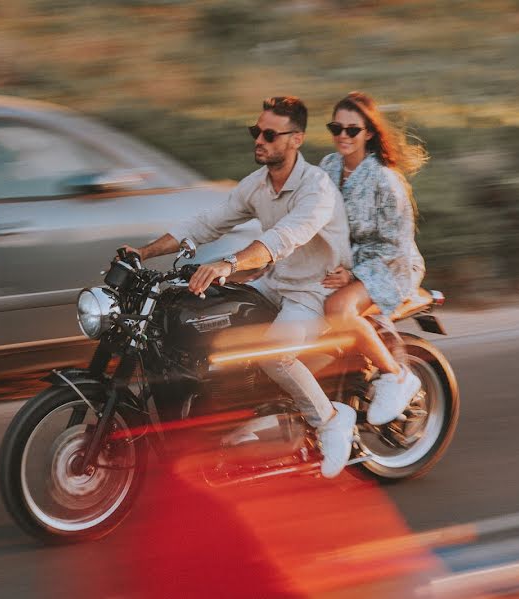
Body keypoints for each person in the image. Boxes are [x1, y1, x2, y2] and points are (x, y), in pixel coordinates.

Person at [121, 96, 357, 478]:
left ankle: (330, 420)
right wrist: (144, 252)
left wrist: (228, 263)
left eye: (268, 134)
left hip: (313, 291)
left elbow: (283, 238)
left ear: (296, 139)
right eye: (255, 132)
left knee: (272, 354)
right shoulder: (257, 185)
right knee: (198, 317)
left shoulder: (317, 189)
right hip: (275, 282)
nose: (258, 140)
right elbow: (207, 222)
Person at [318, 91, 427, 425]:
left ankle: (396, 375)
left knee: (338, 308)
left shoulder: (384, 179)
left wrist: (351, 274)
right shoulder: (327, 166)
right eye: (337, 127)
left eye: (353, 129)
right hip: (341, 264)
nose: (343, 135)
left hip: (388, 268)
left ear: (368, 132)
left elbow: (394, 245)